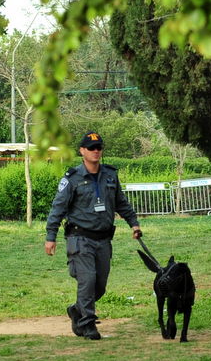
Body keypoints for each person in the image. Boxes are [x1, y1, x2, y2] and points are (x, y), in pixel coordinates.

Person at [45, 132, 142, 340]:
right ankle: (88, 324)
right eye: (91, 148)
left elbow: (121, 203)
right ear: (82, 151)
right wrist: (50, 236)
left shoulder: (110, 175)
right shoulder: (72, 179)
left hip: (103, 239)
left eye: (99, 147)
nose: (96, 151)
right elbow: (58, 208)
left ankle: (77, 310)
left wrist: (134, 224)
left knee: (100, 286)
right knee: (87, 281)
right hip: (80, 239)